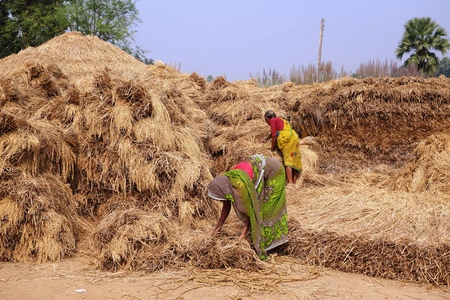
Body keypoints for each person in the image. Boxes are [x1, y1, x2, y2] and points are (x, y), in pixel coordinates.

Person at [208, 154, 288, 260]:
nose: (220, 200)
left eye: (220, 197)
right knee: (261, 212)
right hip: (262, 168)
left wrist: (243, 234)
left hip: (274, 171)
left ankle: (270, 247)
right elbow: (226, 206)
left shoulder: (240, 186)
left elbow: (252, 210)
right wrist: (218, 228)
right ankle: (265, 242)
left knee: (266, 210)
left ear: (223, 192)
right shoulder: (227, 182)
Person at [262, 110, 302, 184]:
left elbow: (274, 136)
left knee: (288, 160)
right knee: (294, 160)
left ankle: (290, 183)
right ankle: (294, 183)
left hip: (288, 139)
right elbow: (274, 132)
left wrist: (272, 148)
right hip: (294, 137)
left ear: (267, 118)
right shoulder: (280, 120)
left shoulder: (272, 121)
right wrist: (266, 139)